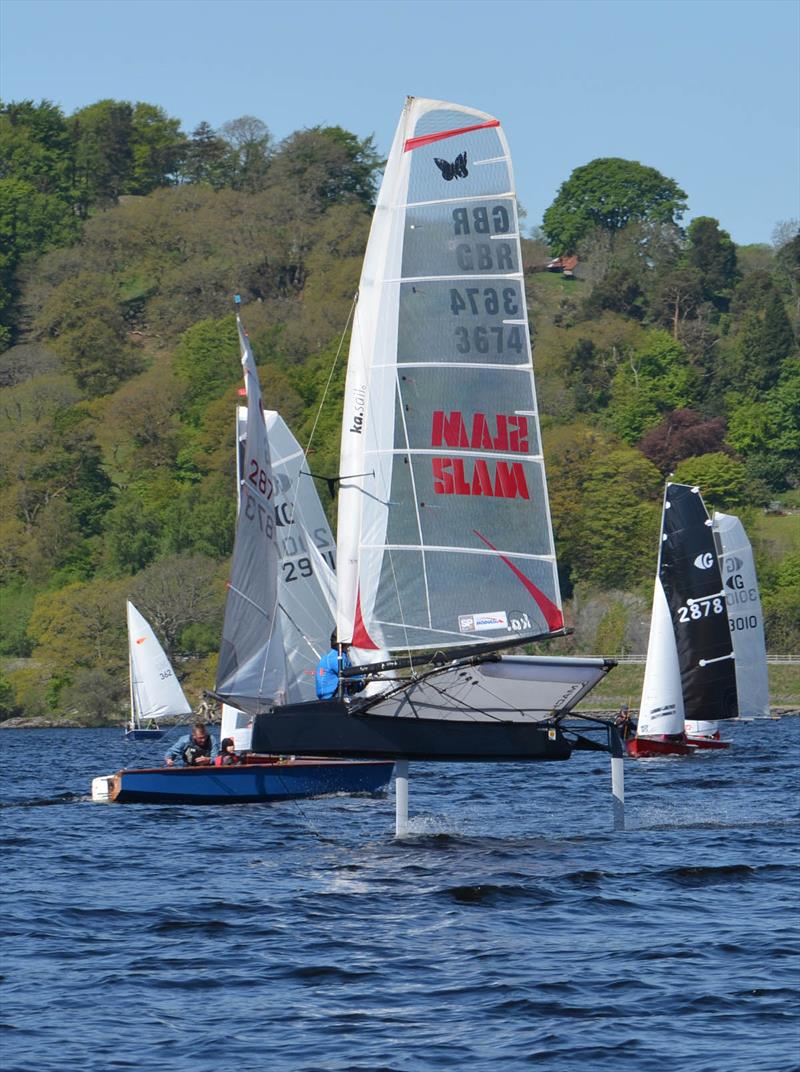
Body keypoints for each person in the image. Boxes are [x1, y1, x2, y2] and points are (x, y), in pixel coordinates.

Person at [315, 632, 365, 700]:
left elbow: (355, 682)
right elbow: (347, 674)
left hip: (337, 697)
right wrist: (366, 675)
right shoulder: (336, 657)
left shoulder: (338, 656)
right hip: (331, 700)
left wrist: (365, 679)